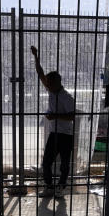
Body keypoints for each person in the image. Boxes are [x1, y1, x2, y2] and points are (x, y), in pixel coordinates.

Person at [31, 45, 75, 198]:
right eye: (47, 83)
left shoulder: (67, 97)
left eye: (49, 83)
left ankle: (61, 188)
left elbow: (71, 116)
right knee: (46, 162)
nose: (46, 85)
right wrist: (36, 57)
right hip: (54, 133)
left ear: (57, 82)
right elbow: (40, 74)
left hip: (66, 135)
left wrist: (55, 116)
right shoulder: (51, 90)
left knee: (64, 164)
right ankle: (49, 187)